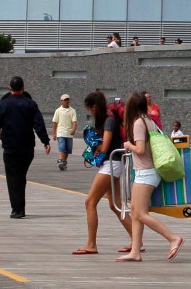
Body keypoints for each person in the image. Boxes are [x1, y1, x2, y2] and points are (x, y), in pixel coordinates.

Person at [116, 91, 183, 263]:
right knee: (136, 212)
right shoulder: (149, 121)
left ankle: (173, 238)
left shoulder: (138, 123)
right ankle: (135, 251)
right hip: (147, 172)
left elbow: (139, 149)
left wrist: (128, 144)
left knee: (140, 213)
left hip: (145, 173)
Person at [72, 91, 131, 256]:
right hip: (114, 163)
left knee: (90, 202)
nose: (89, 112)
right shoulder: (109, 118)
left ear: (94, 107)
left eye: (89, 109)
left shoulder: (108, 120)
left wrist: (92, 144)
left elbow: (104, 147)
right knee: (115, 205)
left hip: (112, 164)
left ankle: (91, 244)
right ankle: (137, 240)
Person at [0, 76, 50, 219]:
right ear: (23, 88)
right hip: (27, 148)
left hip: (10, 147)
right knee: (20, 176)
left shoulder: (4, 103)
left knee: (13, 178)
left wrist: (0, 128)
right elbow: (39, 124)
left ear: (9, 88)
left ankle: (17, 210)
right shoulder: (30, 104)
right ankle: (20, 206)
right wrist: (45, 141)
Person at [53, 94, 78, 171]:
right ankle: (61, 160)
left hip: (69, 133)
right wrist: (54, 133)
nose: (66, 101)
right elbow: (55, 122)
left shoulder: (72, 111)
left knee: (67, 149)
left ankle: (64, 162)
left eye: (67, 99)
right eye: (65, 100)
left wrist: (73, 129)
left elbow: (74, 121)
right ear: (61, 101)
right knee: (62, 146)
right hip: (61, 132)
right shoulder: (58, 111)